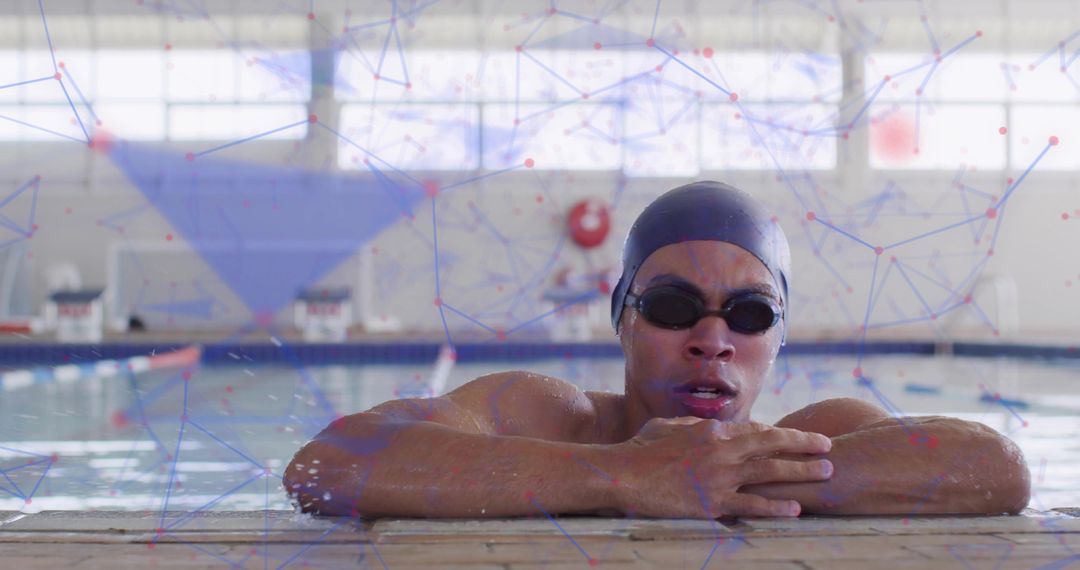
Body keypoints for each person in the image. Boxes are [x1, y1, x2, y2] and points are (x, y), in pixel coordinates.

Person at [284, 181, 1030, 519]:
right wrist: (625, 474)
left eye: (749, 313)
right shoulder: (545, 413)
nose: (713, 340)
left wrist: (725, 476)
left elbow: (996, 467)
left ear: (778, 337)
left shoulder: (819, 433)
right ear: (623, 319)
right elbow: (327, 464)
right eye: (674, 307)